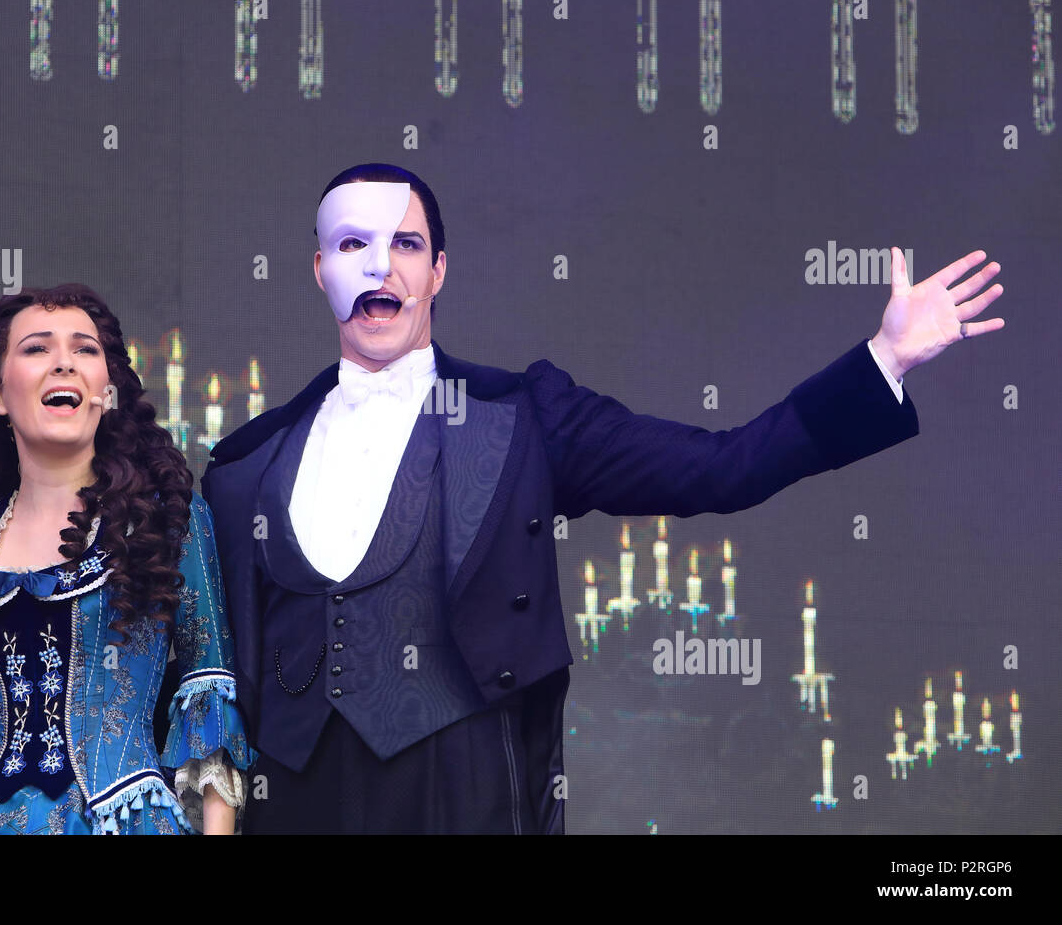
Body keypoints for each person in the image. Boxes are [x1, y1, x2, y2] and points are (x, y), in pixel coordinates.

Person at [198, 162, 1005, 833]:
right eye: (352, 245)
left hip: (467, 794)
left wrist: (883, 360)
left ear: (439, 269)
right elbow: (208, 676)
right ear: (318, 269)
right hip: (295, 800)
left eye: (405, 244)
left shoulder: (525, 417)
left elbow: (723, 468)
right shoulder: (242, 466)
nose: (380, 268)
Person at [0, 284, 254, 834]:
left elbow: (208, 688)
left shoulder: (166, 520)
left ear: (107, 388)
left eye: (85, 349)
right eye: (37, 348)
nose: (64, 362)